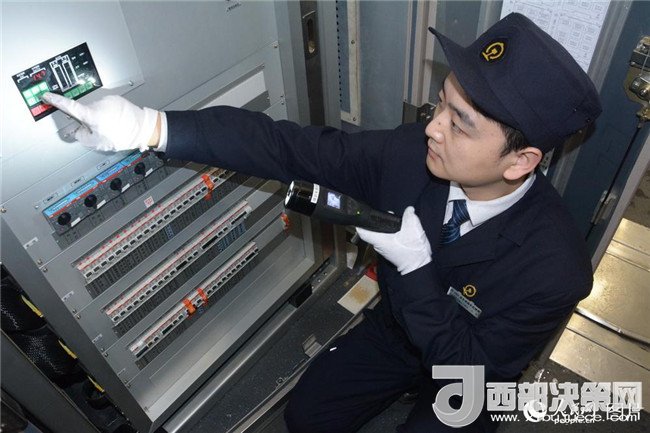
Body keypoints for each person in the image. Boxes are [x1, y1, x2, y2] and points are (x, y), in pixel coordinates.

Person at [43, 12, 601, 433]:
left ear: (520, 161)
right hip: (398, 333)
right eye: (440, 104)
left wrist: (415, 270)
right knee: (307, 417)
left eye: (460, 124)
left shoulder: (557, 270)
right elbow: (287, 147)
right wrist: (150, 126)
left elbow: (470, 370)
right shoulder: (410, 154)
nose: (432, 127)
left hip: (467, 373)